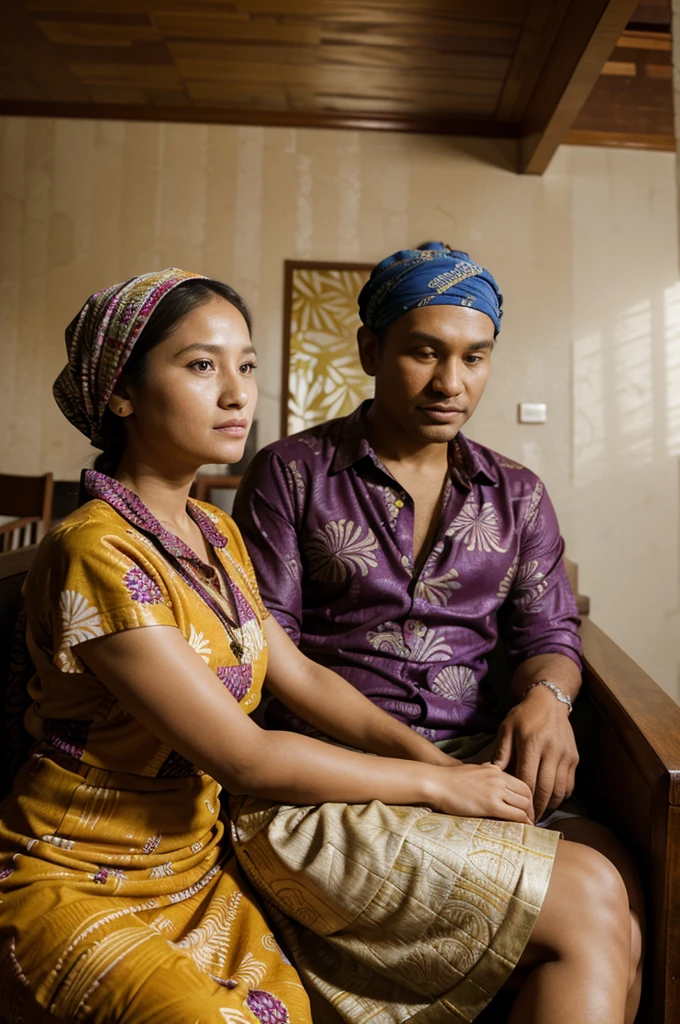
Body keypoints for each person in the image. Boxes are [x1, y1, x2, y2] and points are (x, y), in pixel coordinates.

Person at [0, 268, 635, 1024]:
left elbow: (296, 672)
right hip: (92, 864)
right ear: (122, 393)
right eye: (202, 365)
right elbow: (245, 757)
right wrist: (442, 787)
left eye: (246, 365)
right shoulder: (98, 550)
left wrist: (448, 764)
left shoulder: (211, 531)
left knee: (616, 891)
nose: (237, 394)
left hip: (191, 861)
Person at [233, 244, 642, 1022]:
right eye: (424, 351)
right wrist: (434, 776)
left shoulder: (516, 494)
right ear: (369, 350)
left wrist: (550, 697)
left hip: (484, 765)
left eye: (474, 357)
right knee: (596, 911)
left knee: (629, 892)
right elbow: (268, 653)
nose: (452, 383)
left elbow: (550, 629)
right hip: (337, 780)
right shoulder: (291, 474)